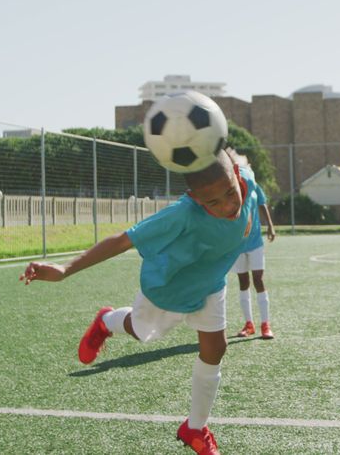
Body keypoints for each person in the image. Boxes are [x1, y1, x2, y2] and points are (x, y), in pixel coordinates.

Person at [20, 149, 260, 455]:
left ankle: (195, 428)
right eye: (213, 202)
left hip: (211, 285)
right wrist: (66, 269)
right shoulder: (183, 214)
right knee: (139, 329)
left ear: (237, 177)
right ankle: (107, 321)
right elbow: (123, 240)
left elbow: (236, 162)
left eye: (230, 192)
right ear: (196, 198)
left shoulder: (245, 181)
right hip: (169, 287)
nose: (228, 205)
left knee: (216, 348)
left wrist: (223, 148)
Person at [228, 159, 277, 339]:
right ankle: (249, 324)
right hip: (238, 243)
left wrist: (270, 226)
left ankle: (265, 324)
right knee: (243, 281)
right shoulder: (232, 187)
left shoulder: (254, 185)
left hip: (255, 241)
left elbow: (262, 204)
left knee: (258, 279)